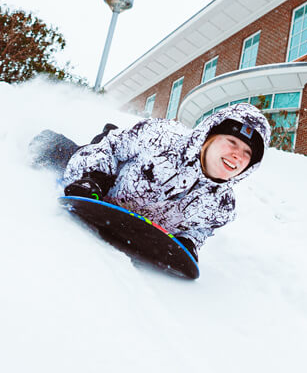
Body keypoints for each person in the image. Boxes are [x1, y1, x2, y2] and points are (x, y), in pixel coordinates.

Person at [32, 102, 271, 260]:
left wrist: (188, 242)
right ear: (210, 135)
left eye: (248, 154)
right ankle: (46, 140)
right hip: (110, 173)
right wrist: (93, 178)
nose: (238, 155)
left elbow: (203, 227)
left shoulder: (223, 206)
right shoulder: (161, 138)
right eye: (232, 142)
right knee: (64, 154)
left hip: (139, 207)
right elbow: (111, 148)